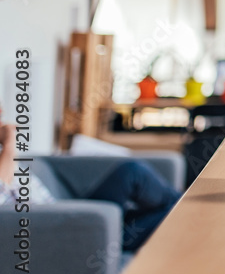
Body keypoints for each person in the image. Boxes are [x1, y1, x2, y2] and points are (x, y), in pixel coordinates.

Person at [0, 106, 180, 251]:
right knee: (173, 212)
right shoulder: (7, 152)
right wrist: (9, 142)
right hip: (65, 233)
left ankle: (181, 206)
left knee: (132, 171)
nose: (2, 112)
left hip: (72, 213)